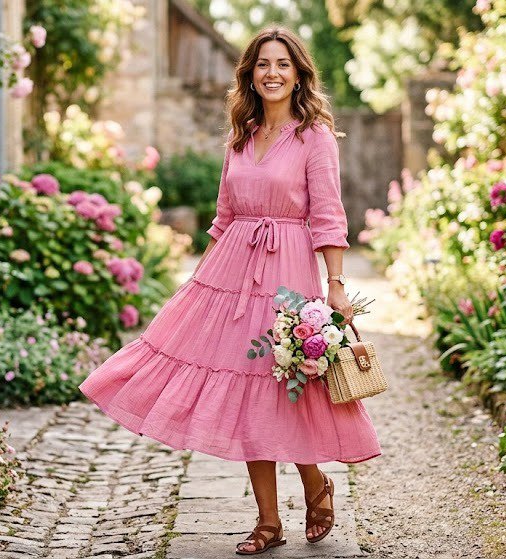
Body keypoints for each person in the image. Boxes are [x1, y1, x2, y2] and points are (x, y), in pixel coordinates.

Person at [79, 24, 381, 555]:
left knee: (287, 385)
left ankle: (315, 484)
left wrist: (334, 285)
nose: (272, 73)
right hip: (232, 274)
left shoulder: (314, 137)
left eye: (283, 64)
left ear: (298, 74)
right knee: (245, 390)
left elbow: (329, 216)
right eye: (263, 64)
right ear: (250, 74)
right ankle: (267, 521)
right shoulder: (240, 135)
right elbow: (223, 216)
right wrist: (202, 284)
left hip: (288, 275)